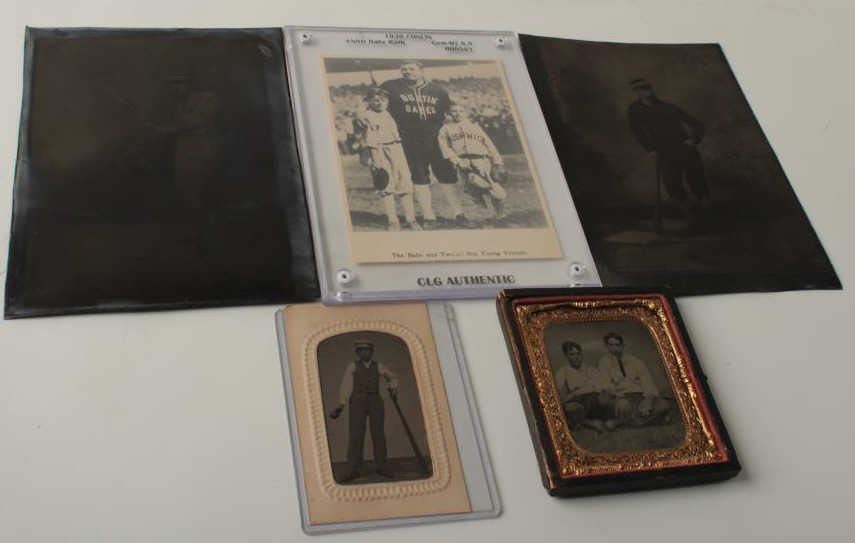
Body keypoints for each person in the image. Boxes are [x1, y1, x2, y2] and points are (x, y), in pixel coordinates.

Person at [381, 60, 463, 227]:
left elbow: (451, 112)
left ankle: (458, 213)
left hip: (437, 138)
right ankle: (428, 216)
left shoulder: (438, 90)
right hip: (409, 140)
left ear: (421, 71)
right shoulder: (390, 87)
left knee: (447, 175)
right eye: (404, 69)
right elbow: (372, 102)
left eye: (411, 69)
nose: (407, 71)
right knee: (419, 176)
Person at [627, 78, 708, 218]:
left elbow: (698, 124)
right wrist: (650, 149)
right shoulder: (635, 110)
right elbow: (637, 131)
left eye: (647, 87)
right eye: (640, 89)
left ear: (651, 89)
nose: (645, 91)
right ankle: (692, 215)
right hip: (664, 152)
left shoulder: (668, 107)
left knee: (697, 182)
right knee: (672, 185)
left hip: (685, 149)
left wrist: (693, 140)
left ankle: (706, 215)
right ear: (636, 92)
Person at [351, 87, 420, 231]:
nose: (379, 103)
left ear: (387, 101)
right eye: (375, 100)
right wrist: (375, 160)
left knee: (405, 184)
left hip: (396, 149)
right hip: (379, 150)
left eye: (383, 100)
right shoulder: (366, 116)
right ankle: (392, 220)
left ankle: (411, 219)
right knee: (385, 185)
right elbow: (366, 133)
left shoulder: (389, 113)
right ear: (369, 101)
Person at [329, 339, 398, 482]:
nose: (364, 353)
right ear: (357, 353)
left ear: (371, 352)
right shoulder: (352, 366)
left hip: (375, 401)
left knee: (378, 434)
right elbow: (346, 385)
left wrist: (392, 387)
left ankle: (382, 466)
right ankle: (353, 469)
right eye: (360, 351)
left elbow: (392, 377)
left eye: (367, 350)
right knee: (356, 435)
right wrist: (341, 404)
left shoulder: (378, 366)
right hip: (357, 402)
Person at [438, 102, 508, 222]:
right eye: (454, 111)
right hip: (463, 161)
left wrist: (497, 161)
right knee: (471, 190)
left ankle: (500, 214)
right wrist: (457, 161)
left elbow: (488, 143)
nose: (458, 113)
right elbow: (445, 148)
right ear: (449, 113)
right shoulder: (446, 129)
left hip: (482, 160)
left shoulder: (474, 126)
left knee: (493, 187)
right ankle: (484, 213)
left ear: (465, 113)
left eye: (461, 111)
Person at [597, 332, 673, 430]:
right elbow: (605, 385)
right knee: (623, 406)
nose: (614, 348)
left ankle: (619, 422)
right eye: (611, 345)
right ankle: (654, 419)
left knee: (664, 405)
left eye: (617, 345)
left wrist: (648, 400)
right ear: (606, 346)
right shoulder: (603, 362)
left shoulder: (635, 361)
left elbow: (647, 382)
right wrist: (619, 395)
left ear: (623, 346)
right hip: (620, 397)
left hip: (639, 396)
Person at [553, 341, 606, 431]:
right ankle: (588, 423)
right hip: (578, 404)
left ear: (581, 354)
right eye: (572, 354)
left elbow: (598, 387)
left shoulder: (591, 369)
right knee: (572, 408)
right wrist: (573, 395)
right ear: (566, 356)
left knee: (601, 398)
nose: (576, 357)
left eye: (578, 353)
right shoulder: (563, 372)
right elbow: (557, 395)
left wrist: (575, 393)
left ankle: (584, 422)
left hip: (593, 403)